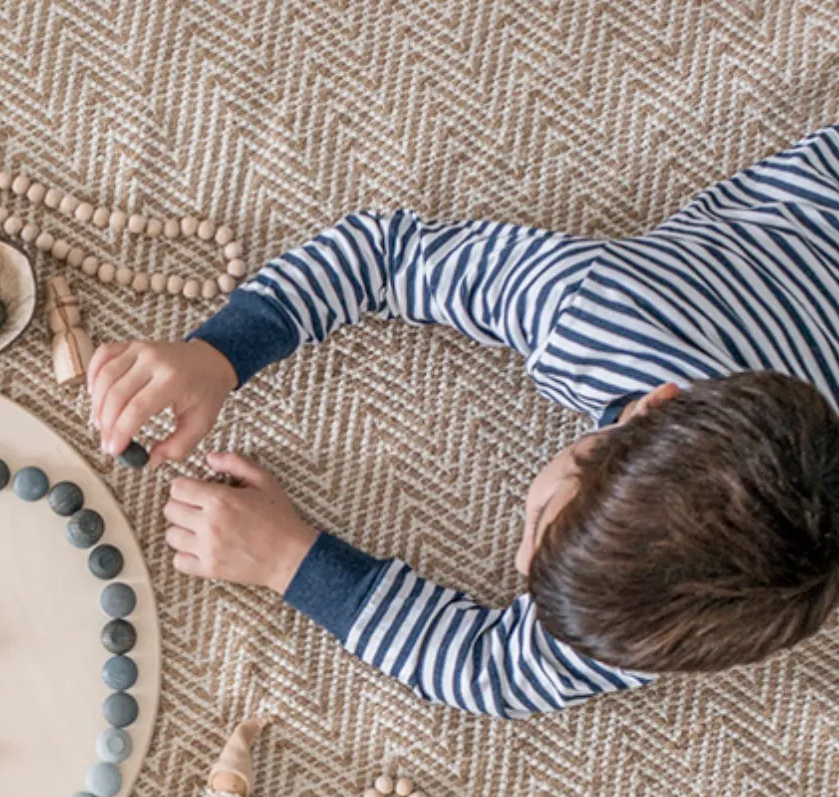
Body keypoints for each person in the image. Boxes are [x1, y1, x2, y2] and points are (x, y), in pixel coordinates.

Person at [86, 122, 839, 719]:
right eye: (543, 517)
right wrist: (219, 354)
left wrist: (291, 559)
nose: (517, 568)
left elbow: (489, 670)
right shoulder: (598, 311)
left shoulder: (690, 610)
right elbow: (383, 255)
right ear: (653, 404)